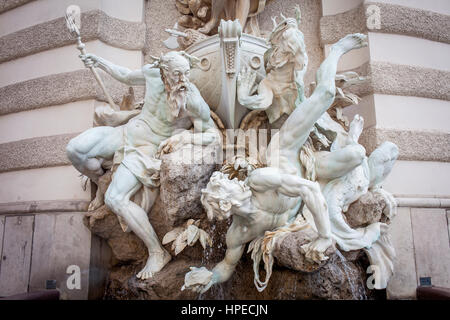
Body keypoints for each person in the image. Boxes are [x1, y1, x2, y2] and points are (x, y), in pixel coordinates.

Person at [183, 33, 369, 293]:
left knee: (325, 94)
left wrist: (325, 236)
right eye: (226, 187)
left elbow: (310, 189)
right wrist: (210, 277)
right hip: (310, 174)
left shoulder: (257, 182)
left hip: (288, 150)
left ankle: (337, 48)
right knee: (356, 155)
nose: (233, 183)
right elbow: (227, 265)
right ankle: (349, 140)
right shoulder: (237, 233)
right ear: (227, 205)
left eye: (227, 183)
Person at [66, 51, 220, 279]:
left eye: (186, 73)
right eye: (178, 74)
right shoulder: (153, 74)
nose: (183, 79)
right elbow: (126, 75)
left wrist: (183, 137)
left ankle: (157, 252)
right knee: (75, 149)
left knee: (115, 199)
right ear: (164, 71)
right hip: (126, 132)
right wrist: (99, 61)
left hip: (146, 150)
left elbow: (214, 136)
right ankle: (100, 180)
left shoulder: (191, 98)